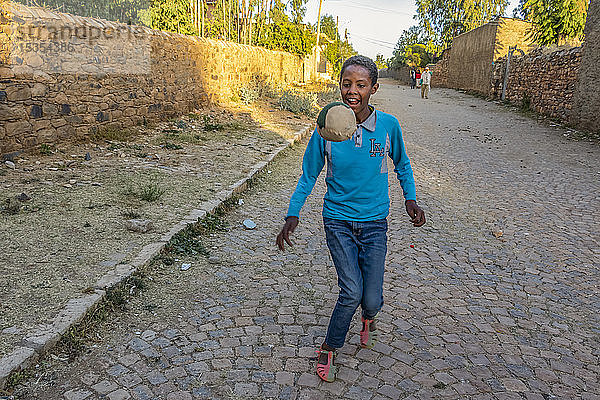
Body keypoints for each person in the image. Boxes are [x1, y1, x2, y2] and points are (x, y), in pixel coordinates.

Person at [275, 55, 426, 383]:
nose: (352, 90)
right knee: (351, 291)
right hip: (338, 221)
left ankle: (369, 318)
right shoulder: (326, 127)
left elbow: (402, 164)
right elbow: (308, 174)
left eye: (360, 84)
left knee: (372, 299)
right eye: (346, 83)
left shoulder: (388, 126)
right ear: (339, 85)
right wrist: (293, 212)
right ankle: (329, 347)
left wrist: (410, 198)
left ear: (374, 87)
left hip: (374, 224)